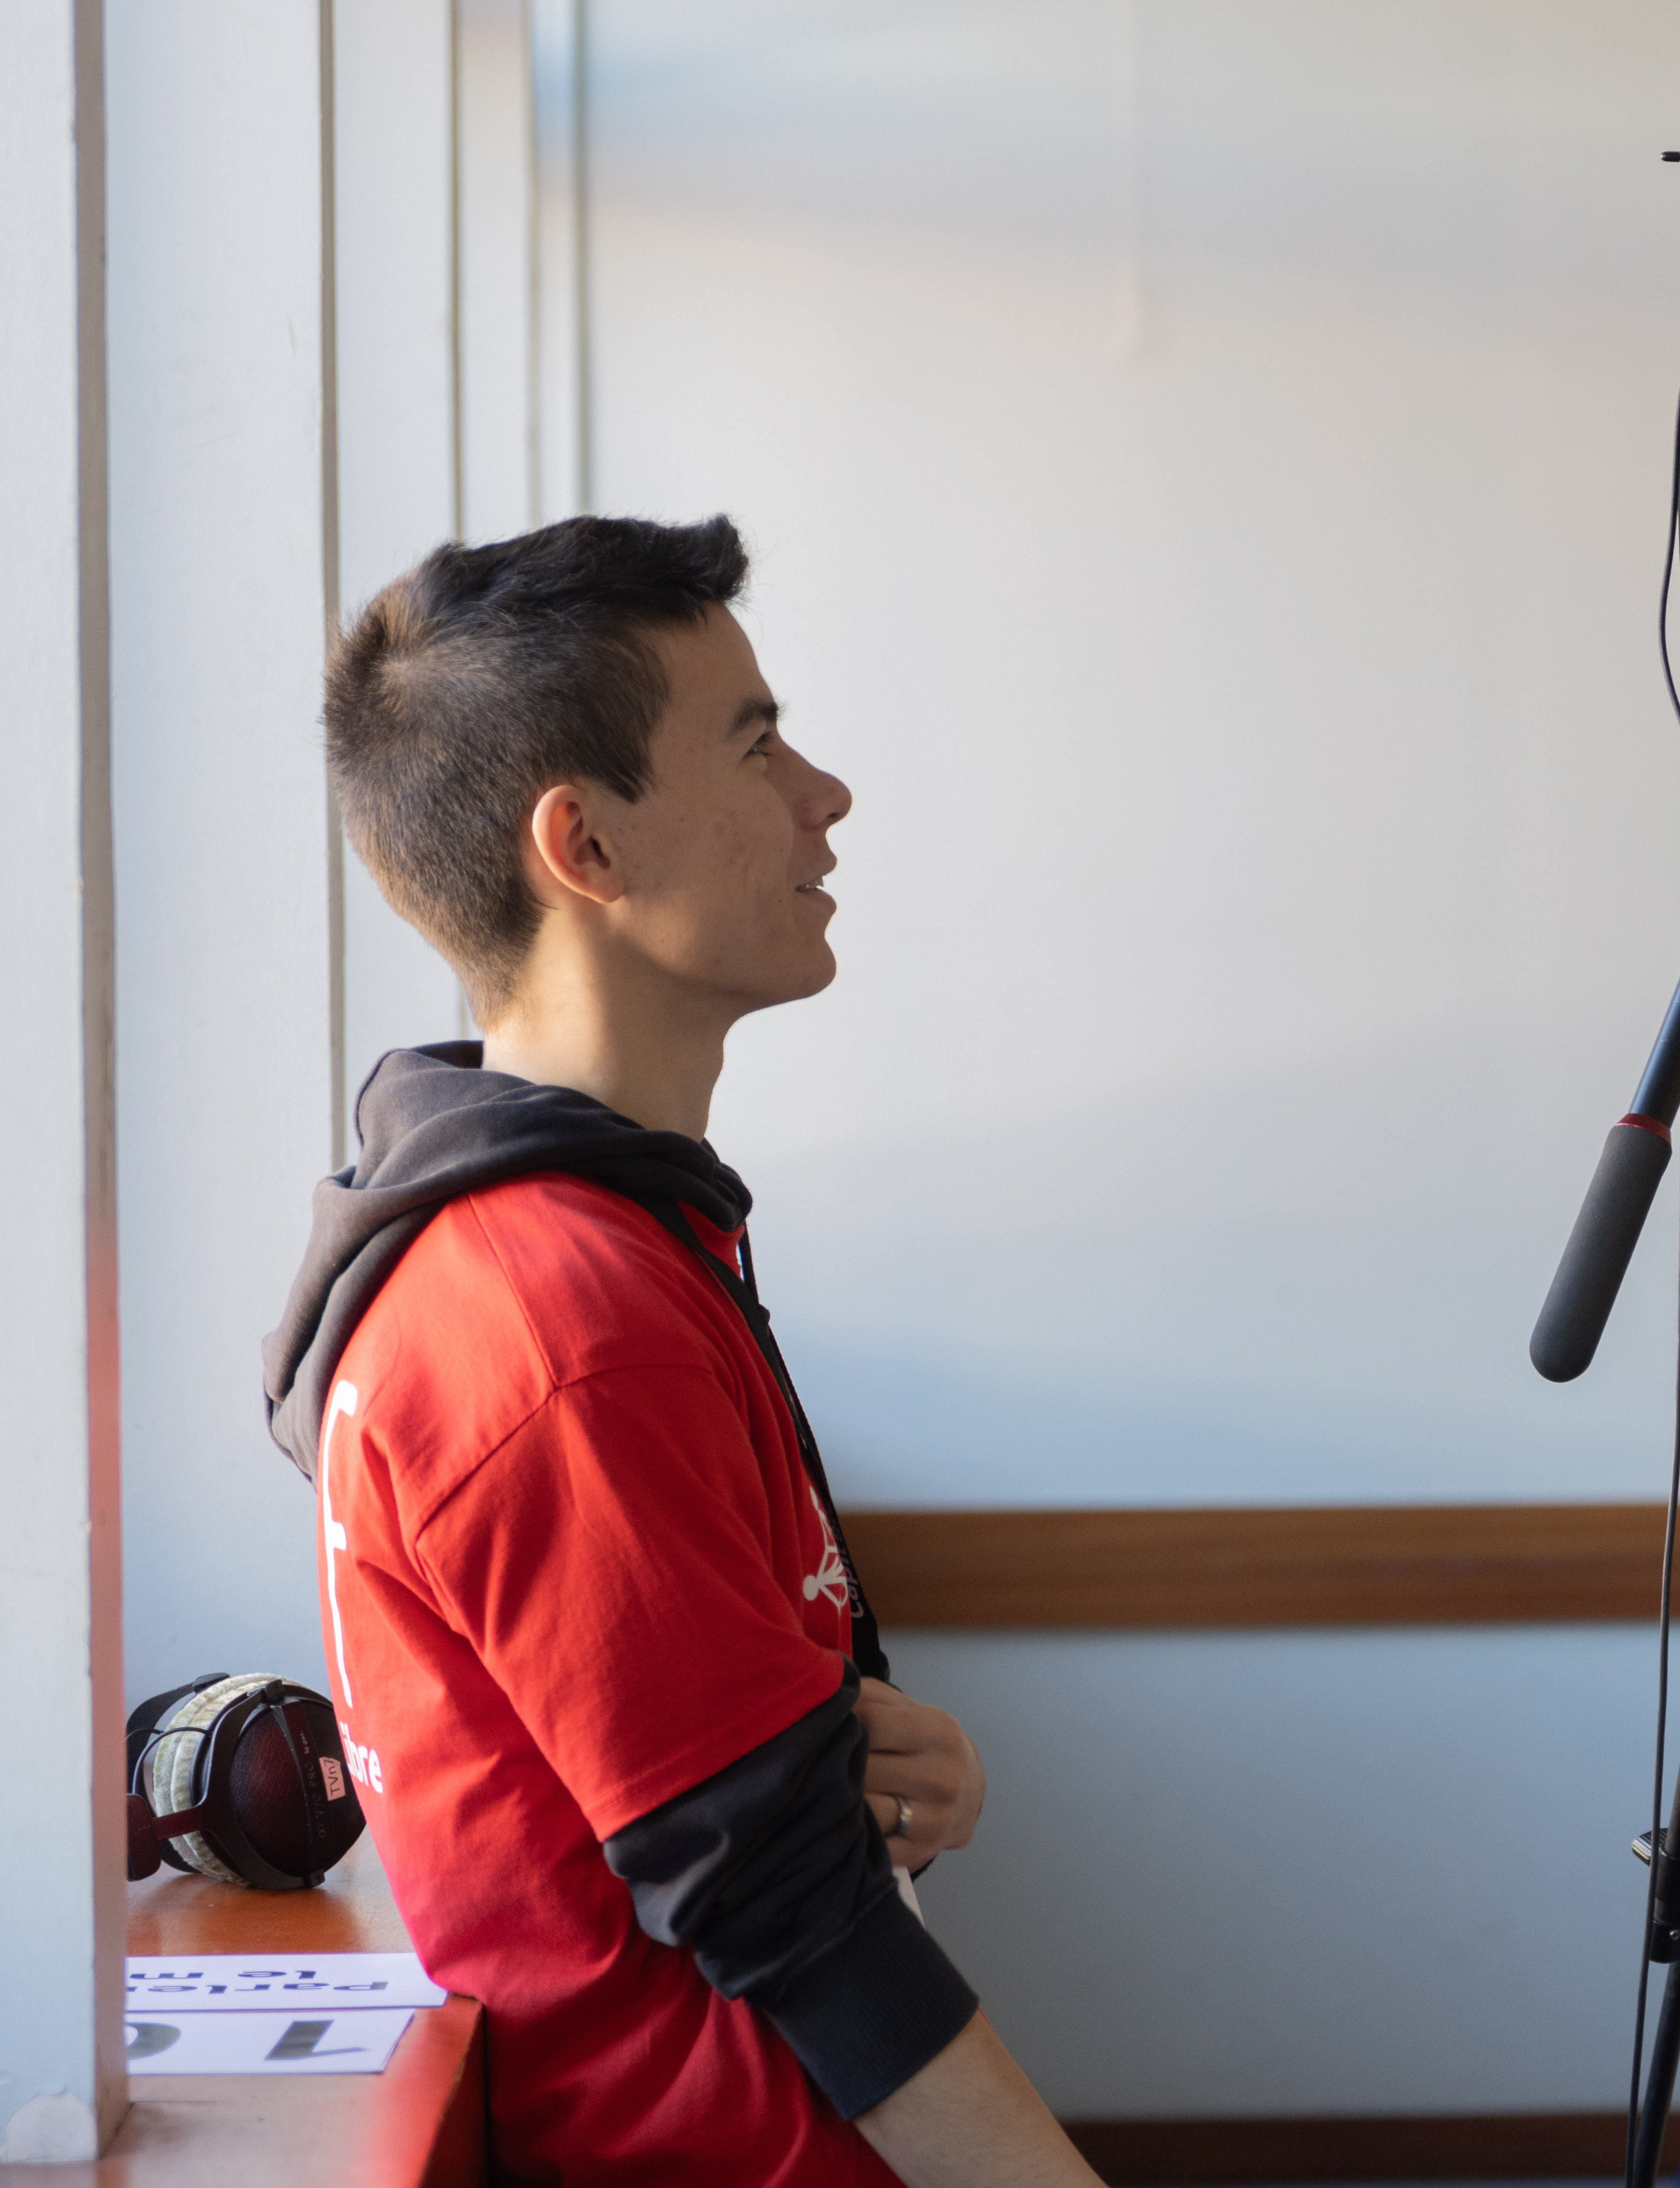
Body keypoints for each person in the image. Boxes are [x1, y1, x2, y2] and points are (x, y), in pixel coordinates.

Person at [262, 516, 1101, 2187]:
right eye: (757, 740)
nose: (827, 796)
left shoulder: (591, 1238)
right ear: (583, 845)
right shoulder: (554, 1318)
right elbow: (784, 1915)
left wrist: (837, 1728)